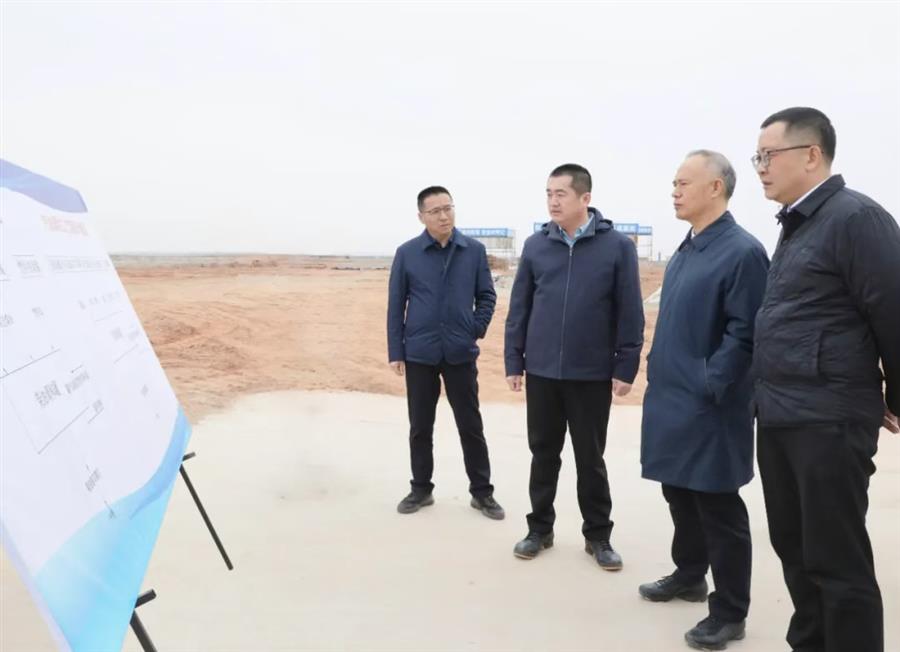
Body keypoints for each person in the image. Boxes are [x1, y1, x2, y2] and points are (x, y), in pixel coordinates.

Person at [752, 107, 900, 652]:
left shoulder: (857, 219)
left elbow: (893, 311)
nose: (761, 167)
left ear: (812, 155)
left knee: (836, 562)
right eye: (757, 157)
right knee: (795, 551)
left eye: (769, 155)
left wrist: (895, 395)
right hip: (781, 414)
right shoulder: (797, 225)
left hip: (828, 420)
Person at [639, 151, 769, 650]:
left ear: (716, 187)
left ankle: (730, 611)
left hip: (712, 405)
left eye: (683, 183)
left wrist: (709, 382)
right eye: (673, 183)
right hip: (672, 397)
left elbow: (745, 332)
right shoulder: (688, 249)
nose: (674, 192)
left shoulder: (742, 252)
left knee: (717, 505)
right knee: (678, 491)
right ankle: (690, 574)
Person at [504, 163, 644, 569]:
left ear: (585, 198)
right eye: (549, 193)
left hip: (591, 373)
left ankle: (598, 535)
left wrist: (626, 365)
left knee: (590, 458)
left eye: (560, 194)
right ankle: (539, 529)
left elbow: (629, 310)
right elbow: (520, 307)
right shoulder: (536, 246)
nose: (553, 201)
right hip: (543, 371)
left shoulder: (617, 247)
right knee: (543, 454)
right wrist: (514, 359)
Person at [387, 185, 504, 520]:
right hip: (420, 353)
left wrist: (474, 328)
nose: (443, 216)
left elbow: (487, 296)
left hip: (460, 352)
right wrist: (396, 350)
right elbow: (396, 304)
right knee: (420, 426)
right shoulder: (407, 253)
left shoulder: (473, 251)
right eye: (435, 211)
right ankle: (421, 489)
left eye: (448, 208)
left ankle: (482, 493)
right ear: (421, 216)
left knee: (470, 425)